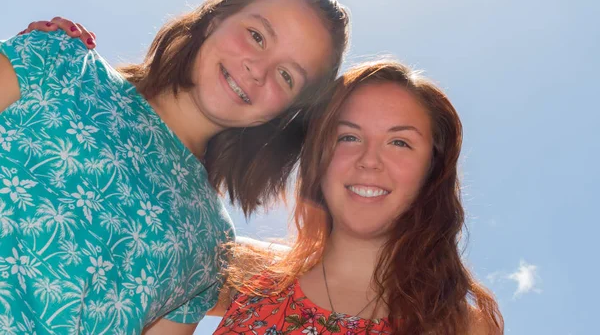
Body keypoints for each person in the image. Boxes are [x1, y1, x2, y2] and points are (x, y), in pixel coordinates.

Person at [0, 0, 349, 334]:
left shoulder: (212, 241)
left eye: (286, 76)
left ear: (284, 115)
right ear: (215, 20)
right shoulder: (61, 61)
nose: (257, 70)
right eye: (257, 36)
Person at [212, 61, 504, 334]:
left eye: (399, 143)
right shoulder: (241, 271)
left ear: (432, 169)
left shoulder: (463, 326)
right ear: (319, 157)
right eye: (348, 137)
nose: (369, 160)